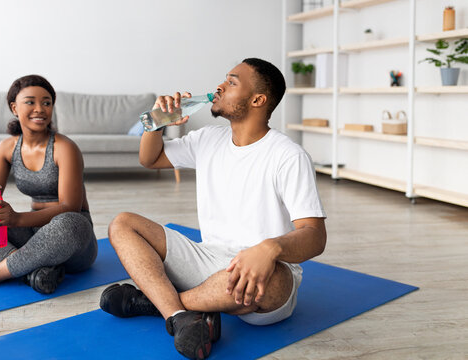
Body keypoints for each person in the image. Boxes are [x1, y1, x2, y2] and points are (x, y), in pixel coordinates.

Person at [99, 58, 327, 359]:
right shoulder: (208, 139)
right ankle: (181, 316)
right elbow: (150, 159)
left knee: (277, 282)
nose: (219, 86)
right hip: (206, 259)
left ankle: (157, 304)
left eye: (232, 82)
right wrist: (156, 122)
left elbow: (315, 236)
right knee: (122, 224)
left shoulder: (288, 156)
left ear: (258, 100)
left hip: (258, 273)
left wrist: (269, 249)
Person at [0, 75, 97, 294]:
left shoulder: (64, 147)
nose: (40, 109)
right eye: (30, 102)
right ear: (14, 107)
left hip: (73, 242)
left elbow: (70, 206)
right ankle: (31, 270)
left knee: (70, 222)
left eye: (46, 102)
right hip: (31, 235)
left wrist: (17, 219)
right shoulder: (6, 148)